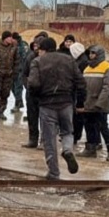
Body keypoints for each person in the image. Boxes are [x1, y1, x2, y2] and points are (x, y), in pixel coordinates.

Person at [27, 38, 86, 180]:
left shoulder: (38, 61)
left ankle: (54, 172)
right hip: (66, 102)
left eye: (39, 49)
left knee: (49, 139)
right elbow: (81, 82)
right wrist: (79, 103)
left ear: (43, 49)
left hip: (47, 104)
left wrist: (37, 98)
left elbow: (33, 84)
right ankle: (67, 150)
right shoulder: (69, 60)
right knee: (67, 132)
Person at [79, 45, 109, 162]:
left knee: (103, 127)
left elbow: (108, 87)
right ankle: (90, 149)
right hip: (88, 104)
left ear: (99, 54)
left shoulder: (107, 68)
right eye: (90, 53)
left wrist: (99, 103)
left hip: (100, 105)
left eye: (93, 53)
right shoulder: (87, 68)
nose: (91, 55)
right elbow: (83, 87)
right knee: (89, 126)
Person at [21, 34, 47, 148]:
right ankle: (33, 140)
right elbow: (24, 74)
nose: (36, 48)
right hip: (31, 92)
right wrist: (28, 86)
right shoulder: (30, 57)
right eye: (35, 45)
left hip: (45, 93)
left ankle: (44, 140)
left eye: (39, 46)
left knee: (45, 118)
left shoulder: (49, 58)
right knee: (32, 117)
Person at [0, 31, 19, 120]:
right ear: (5, 38)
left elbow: (16, 60)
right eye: (9, 37)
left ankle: (1, 111)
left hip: (9, 74)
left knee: (5, 93)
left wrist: (15, 71)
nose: (11, 39)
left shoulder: (14, 47)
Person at [69, 42, 89, 145]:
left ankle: (76, 136)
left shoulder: (82, 62)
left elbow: (80, 81)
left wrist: (80, 101)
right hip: (80, 92)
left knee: (79, 116)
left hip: (80, 92)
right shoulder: (82, 60)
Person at [10, 32, 29, 112]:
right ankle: (19, 103)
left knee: (18, 88)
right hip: (12, 70)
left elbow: (24, 58)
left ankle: (17, 104)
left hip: (20, 70)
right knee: (12, 88)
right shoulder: (12, 45)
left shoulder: (23, 46)